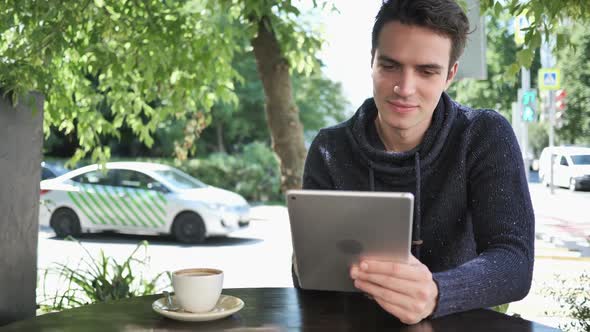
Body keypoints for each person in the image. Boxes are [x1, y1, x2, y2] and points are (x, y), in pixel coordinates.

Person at [295, 0, 535, 325]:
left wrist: (437, 291)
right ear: (372, 61)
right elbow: (309, 279)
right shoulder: (330, 148)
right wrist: (306, 260)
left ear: (450, 74)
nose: (404, 88)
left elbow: (515, 262)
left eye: (426, 71)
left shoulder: (482, 135)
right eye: (390, 66)